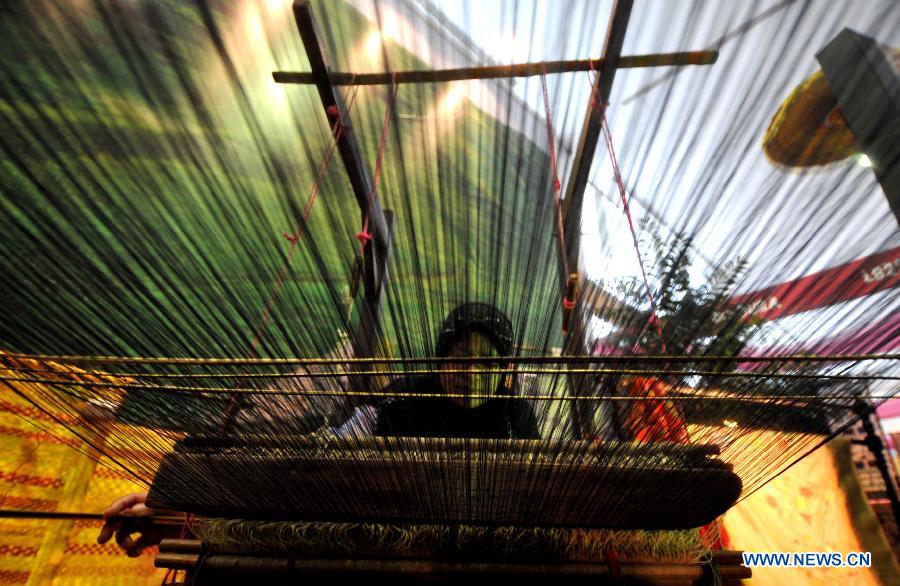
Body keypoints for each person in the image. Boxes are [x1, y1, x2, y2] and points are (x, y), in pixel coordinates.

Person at [98, 302, 540, 553]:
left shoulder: (516, 418)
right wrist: (182, 511)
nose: (472, 373)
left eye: (488, 362)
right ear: (441, 359)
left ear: (506, 371)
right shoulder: (400, 400)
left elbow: (542, 506)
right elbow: (316, 472)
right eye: (461, 358)